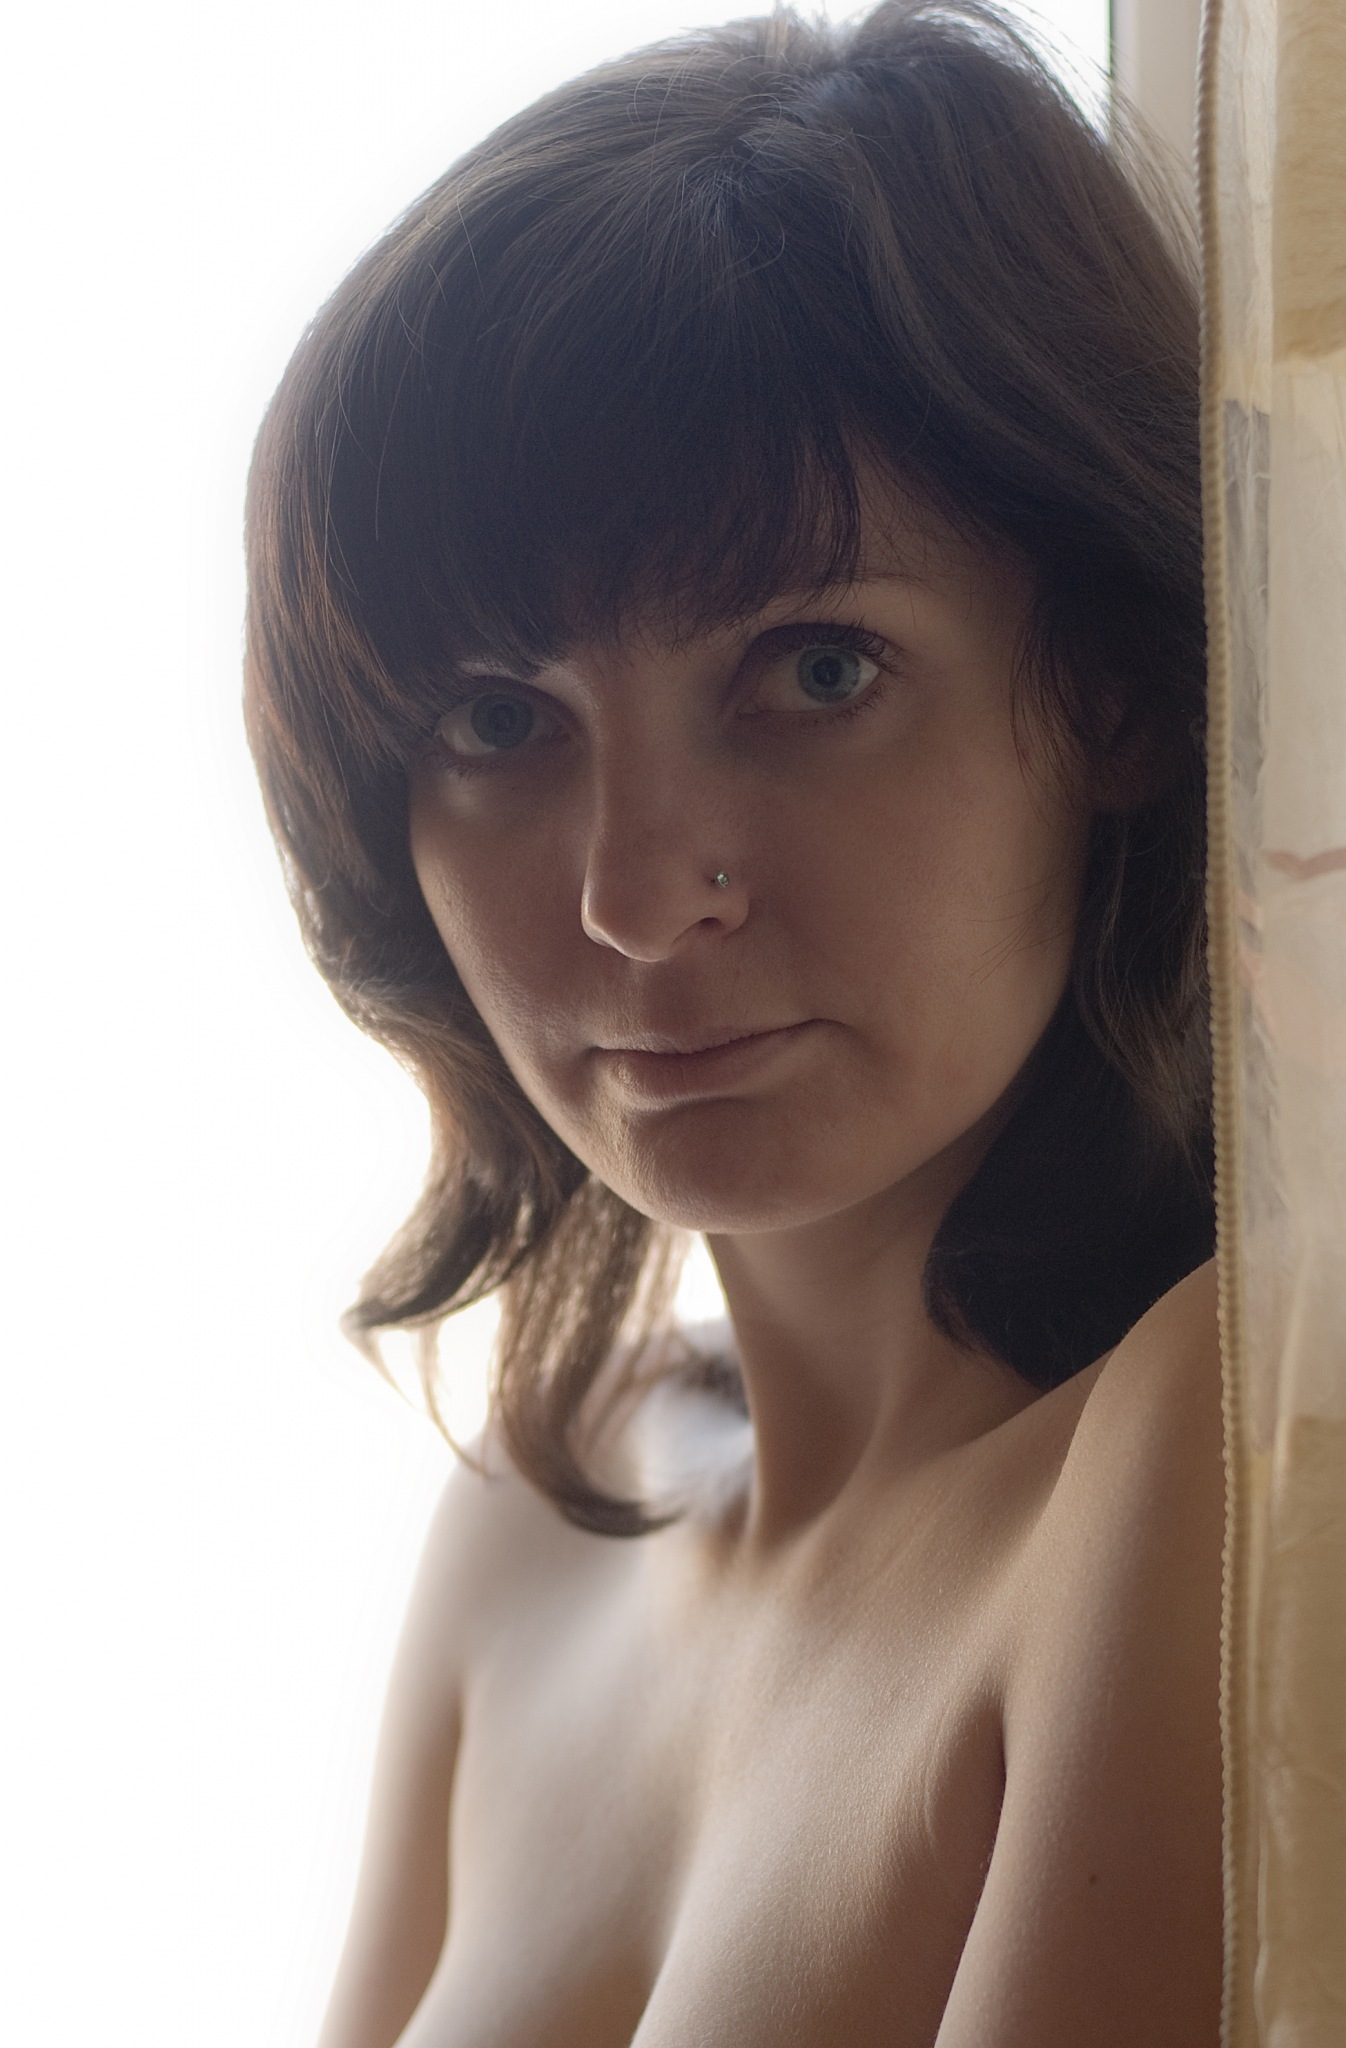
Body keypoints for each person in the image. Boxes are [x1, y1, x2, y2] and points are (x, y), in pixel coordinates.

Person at [243, 4, 1225, 2042]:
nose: (631, 893)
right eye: (496, 719)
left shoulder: (1190, 1445)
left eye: (814, 671)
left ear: (1115, 690)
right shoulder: (535, 1515)